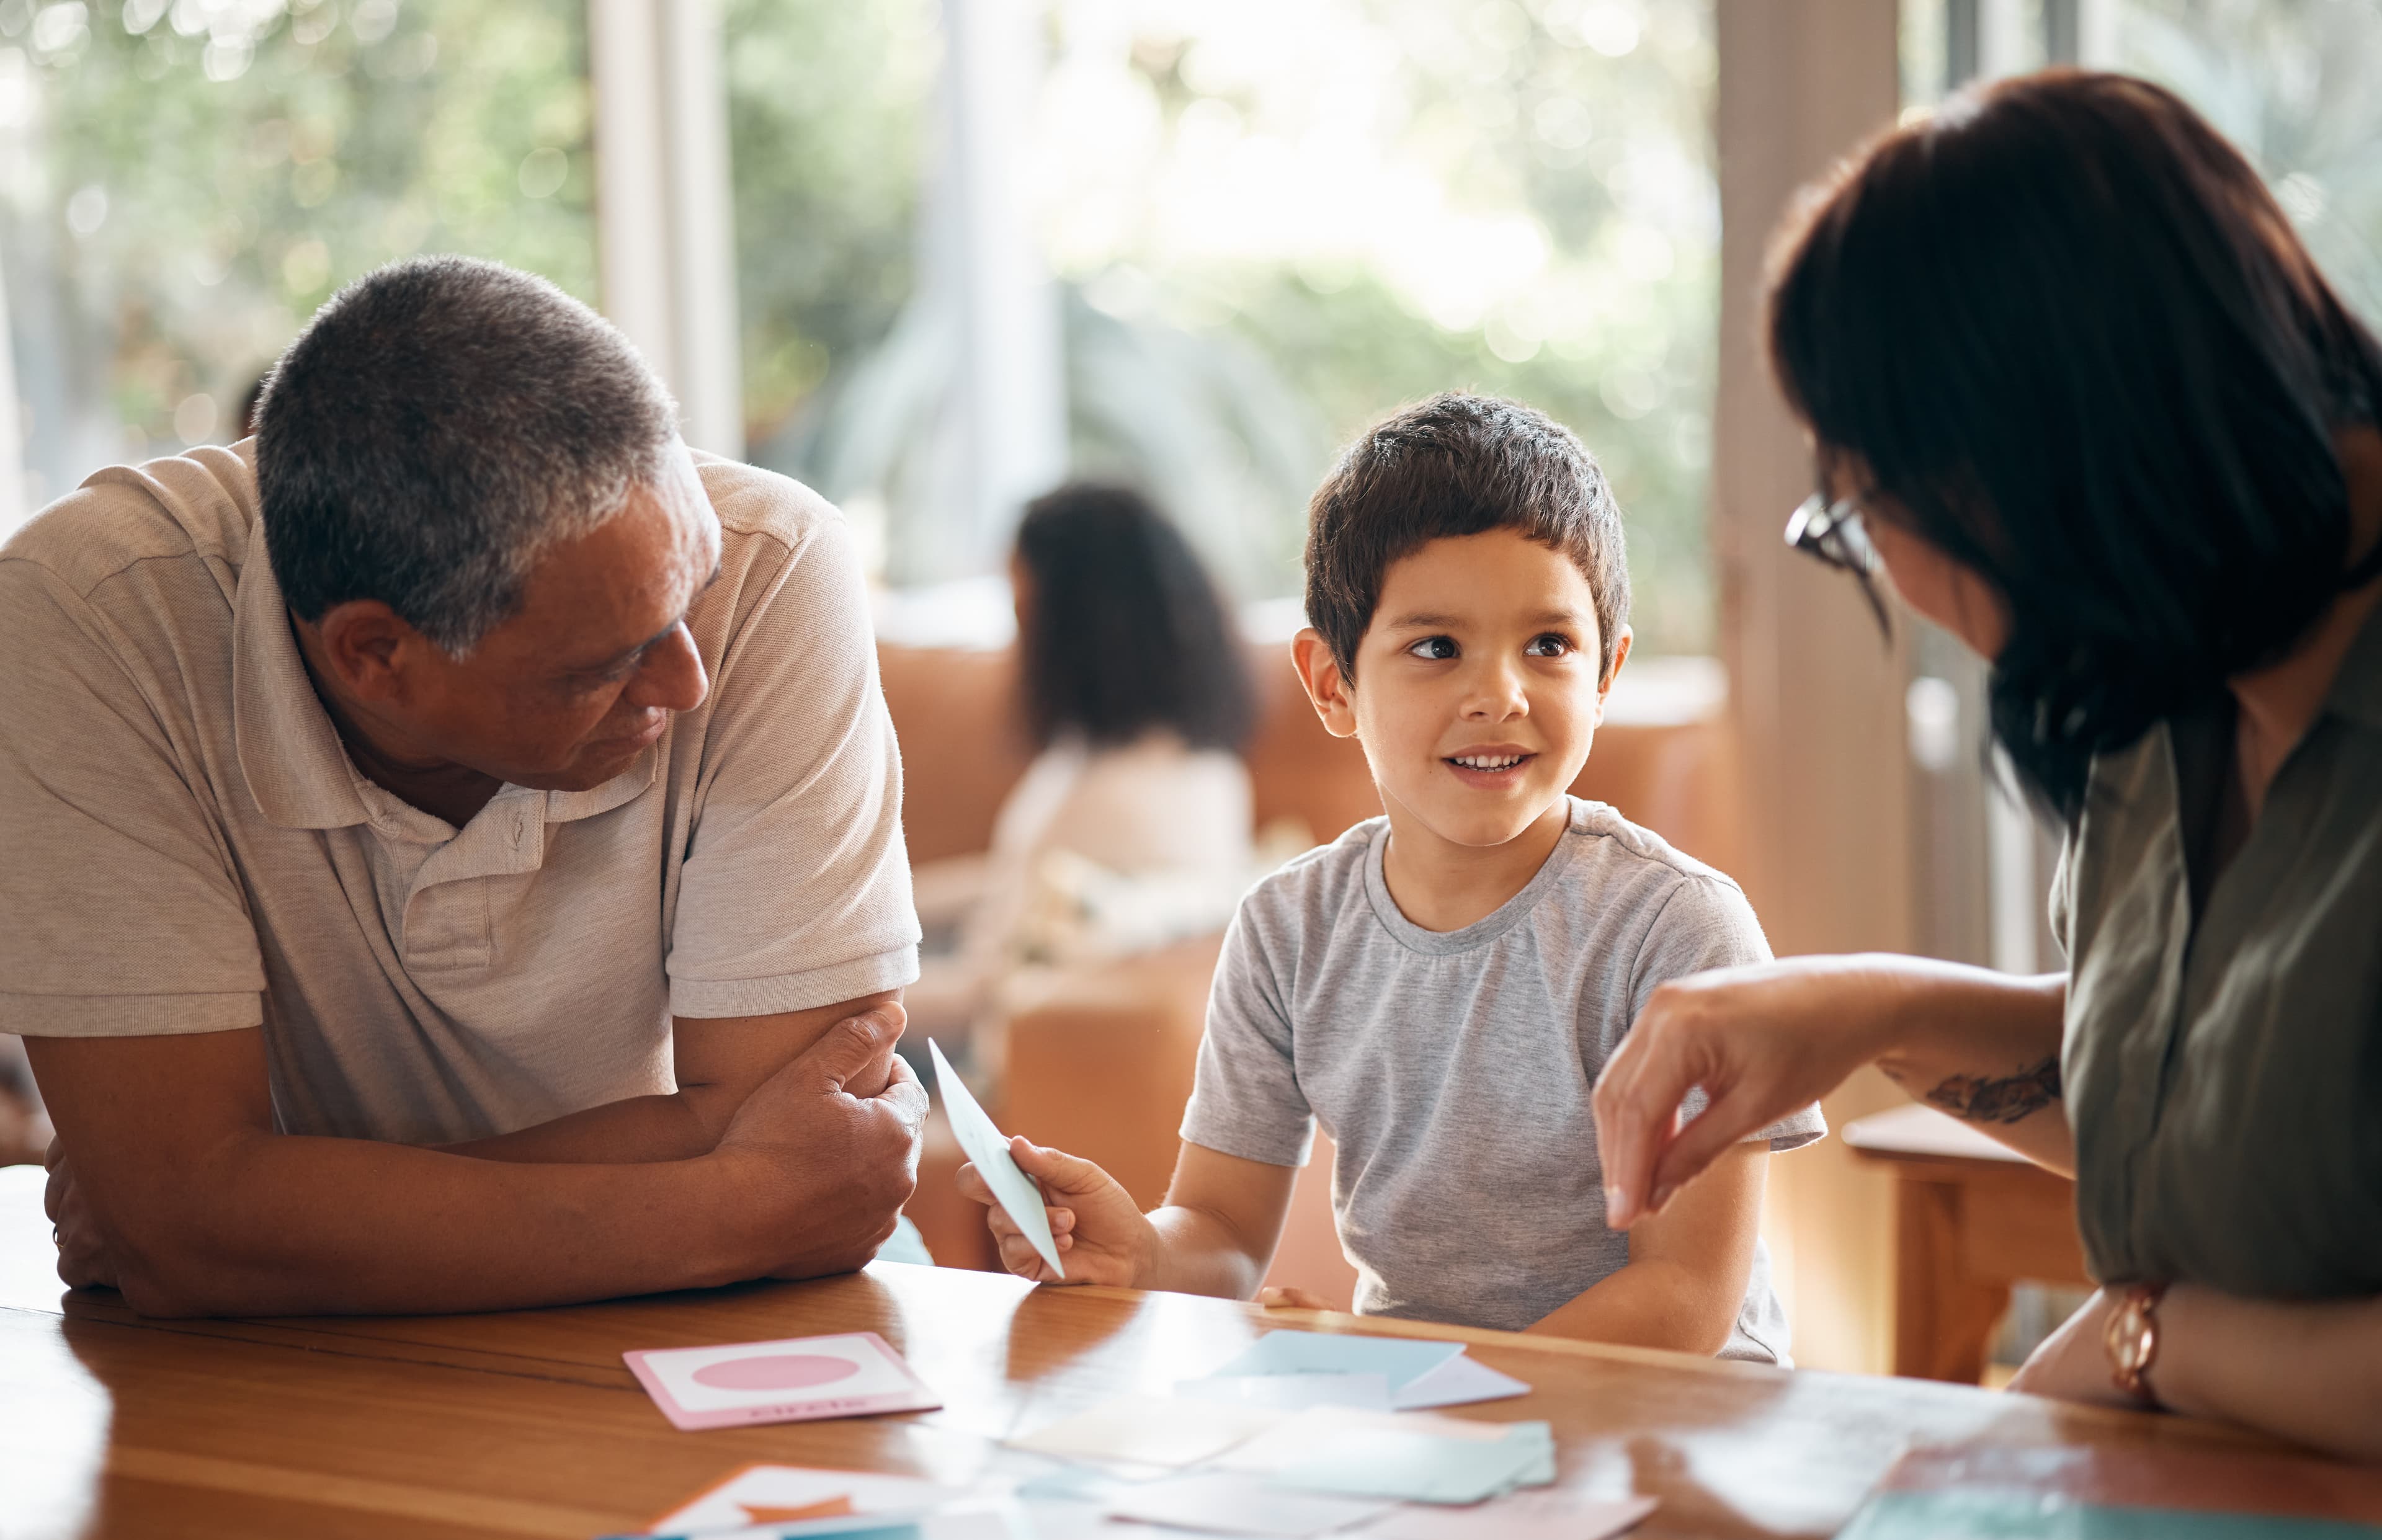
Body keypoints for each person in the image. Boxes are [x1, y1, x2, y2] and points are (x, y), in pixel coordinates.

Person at [1590, 72, 2382, 1458]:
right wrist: (1864, 1009)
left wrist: (2153, 1343)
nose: (1891, 569)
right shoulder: (2174, 660)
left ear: (2028, 468)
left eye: (1866, 508)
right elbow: (2244, 1098)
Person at [0, 257, 927, 1318]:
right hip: (341, 1364)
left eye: (693, 598)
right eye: (602, 664)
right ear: (375, 656)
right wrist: (736, 1206)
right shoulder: (92, 615)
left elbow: (810, 1132)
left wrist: (271, 1206)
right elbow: (186, 1230)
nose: (690, 679)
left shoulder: (774, 565)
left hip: (734, 1312)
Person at [961, 394, 1824, 1360]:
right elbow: (1220, 1232)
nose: (1498, 694)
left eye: (1549, 645)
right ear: (1333, 684)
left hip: (1667, 1415)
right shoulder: (1289, 928)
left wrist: (1398, 1389)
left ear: (1607, 672)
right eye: (1436, 648)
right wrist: (1141, 1254)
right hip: (1426, 1429)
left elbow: (1683, 1300)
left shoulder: (1679, 929)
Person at [905, 484, 1257, 1059]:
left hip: (974, 1044)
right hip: (978, 978)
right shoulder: (1204, 768)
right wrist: (875, 905)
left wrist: (825, 996)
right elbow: (1023, 878)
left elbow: (981, 995)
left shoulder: (1105, 799)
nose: (1016, 637)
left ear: (1073, 627)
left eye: (1022, 610)